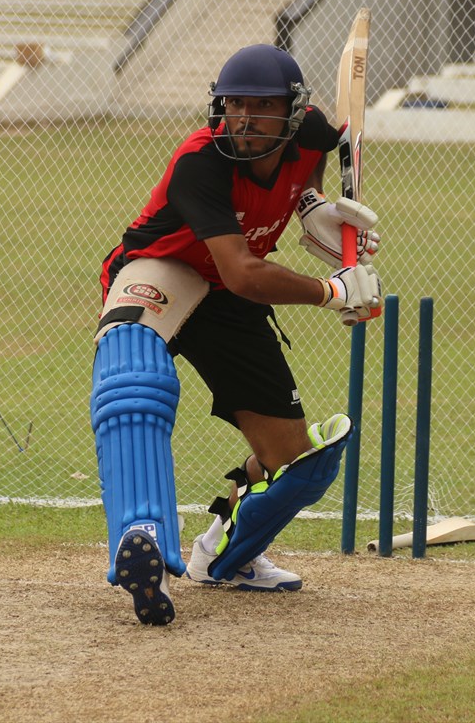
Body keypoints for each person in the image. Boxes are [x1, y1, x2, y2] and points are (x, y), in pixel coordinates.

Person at [90, 44, 384, 625]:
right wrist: (332, 291)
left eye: (260, 107)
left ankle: (222, 554)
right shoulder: (199, 162)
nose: (243, 119)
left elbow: (312, 164)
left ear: (292, 114)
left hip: (227, 298)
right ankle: (140, 535)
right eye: (233, 105)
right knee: (134, 382)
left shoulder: (315, 133)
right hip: (163, 266)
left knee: (293, 463)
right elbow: (244, 273)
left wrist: (309, 205)